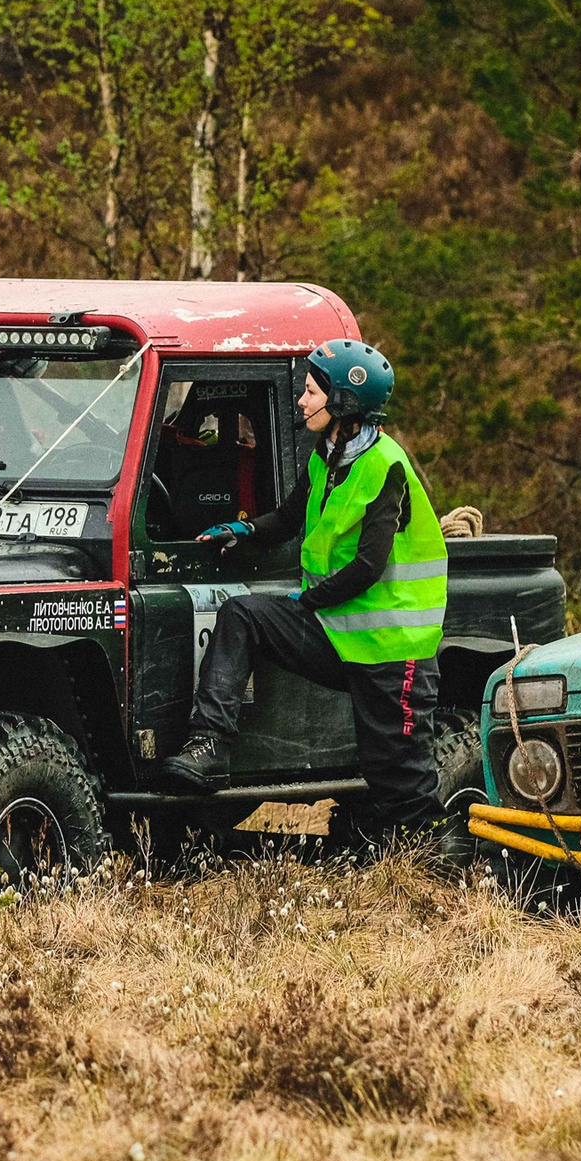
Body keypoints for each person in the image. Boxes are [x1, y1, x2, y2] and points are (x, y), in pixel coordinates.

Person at [159, 339, 448, 842]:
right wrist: (243, 530)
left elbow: (368, 567)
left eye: (311, 391)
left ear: (343, 401)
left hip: (390, 648)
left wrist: (307, 601)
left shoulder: (386, 466)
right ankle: (209, 746)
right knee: (243, 614)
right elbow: (290, 518)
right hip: (337, 632)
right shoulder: (326, 457)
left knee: (399, 779)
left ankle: (447, 867)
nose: (301, 400)